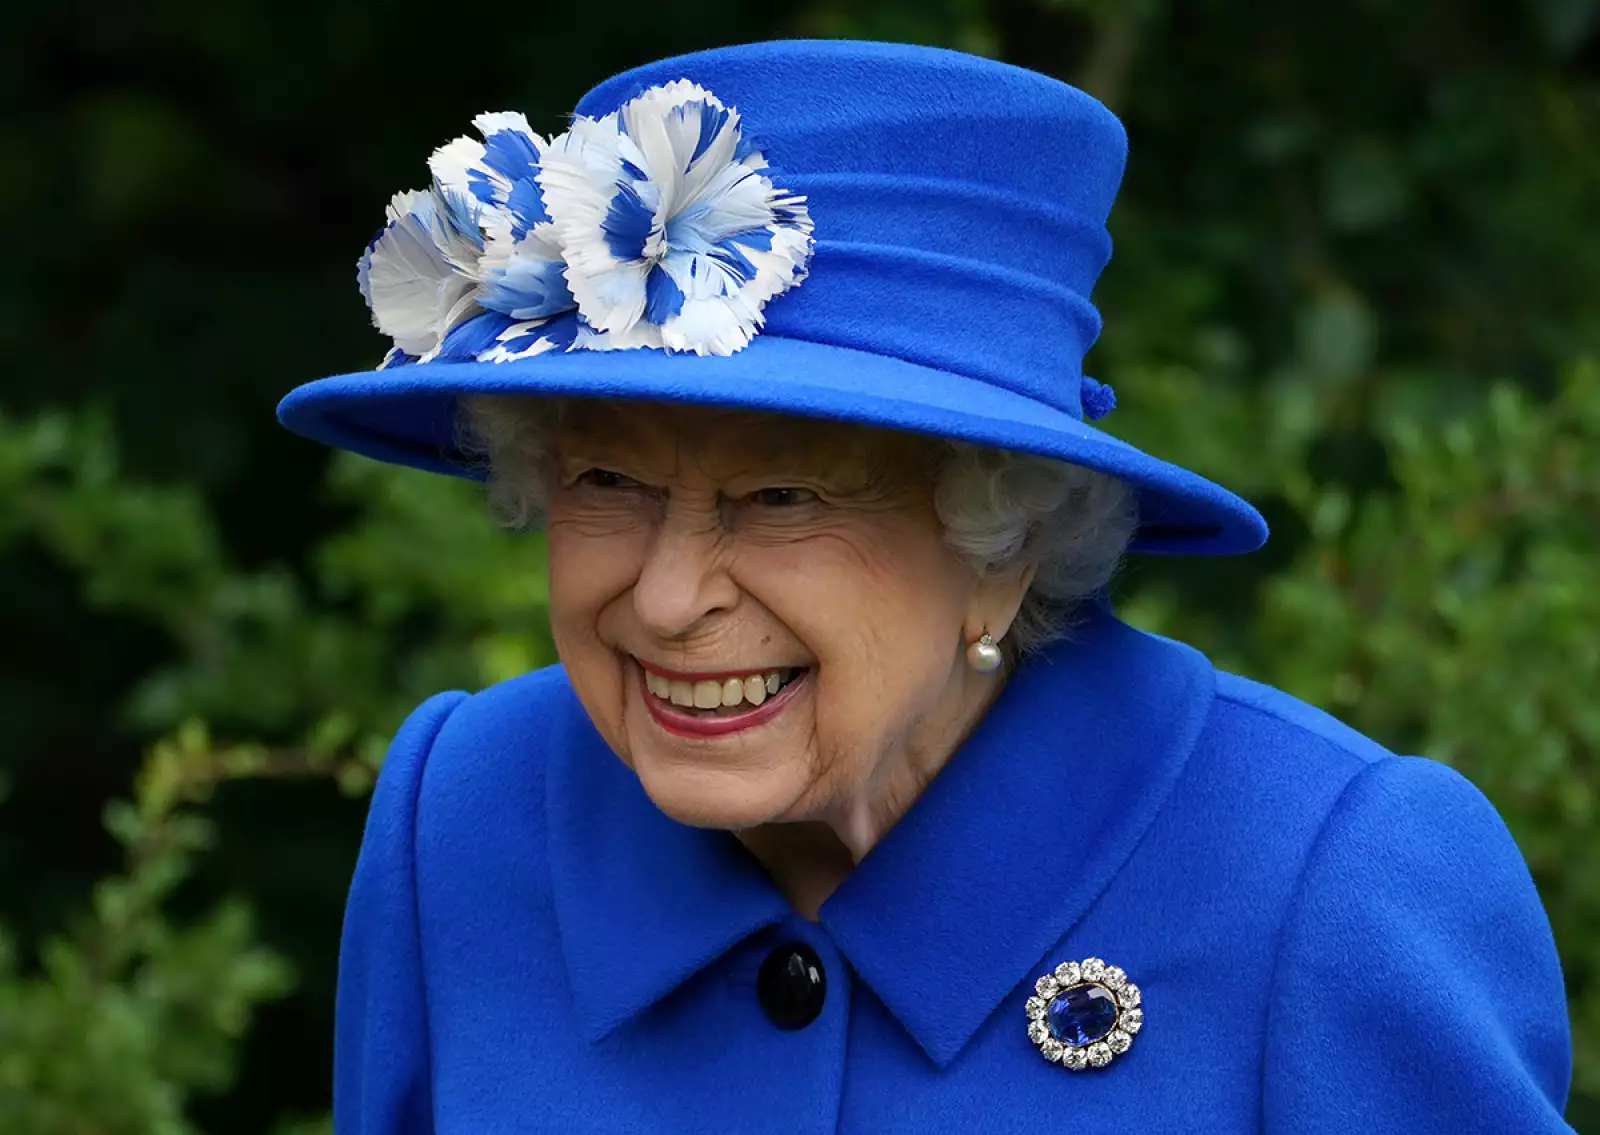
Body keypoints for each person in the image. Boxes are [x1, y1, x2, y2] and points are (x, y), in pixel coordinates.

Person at [278, 39, 1575, 1134]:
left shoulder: (1323, 885)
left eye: (783, 498)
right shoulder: (466, 812)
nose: (668, 598)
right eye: (608, 481)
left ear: (1001, 541)